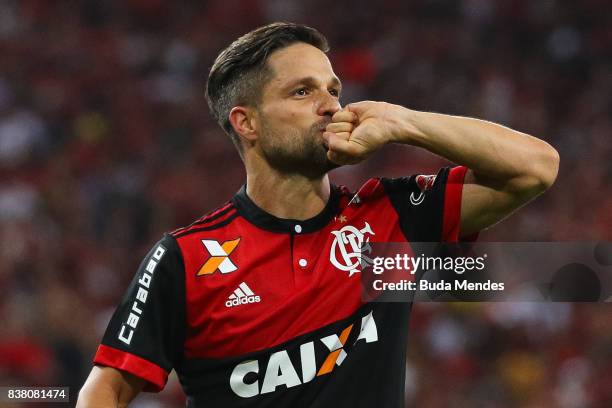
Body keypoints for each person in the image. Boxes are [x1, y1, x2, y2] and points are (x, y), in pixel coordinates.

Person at [77, 22, 559, 407]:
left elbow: (535, 168)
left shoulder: (389, 217)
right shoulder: (186, 258)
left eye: (333, 88)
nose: (331, 105)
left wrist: (404, 123)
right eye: (303, 92)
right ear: (247, 123)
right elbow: (107, 388)